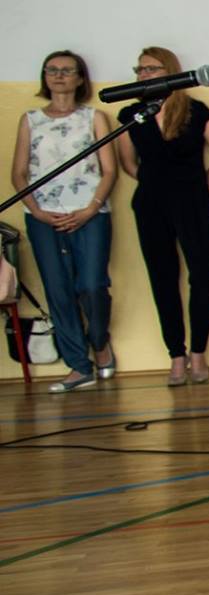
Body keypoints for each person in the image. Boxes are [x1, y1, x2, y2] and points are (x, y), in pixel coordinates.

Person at [114, 46, 209, 385]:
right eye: (140, 69)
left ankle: (198, 353)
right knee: (162, 279)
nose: (144, 74)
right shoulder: (132, 114)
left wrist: (197, 184)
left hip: (192, 202)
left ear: (170, 71)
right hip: (150, 204)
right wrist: (154, 182)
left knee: (202, 277)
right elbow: (127, 163)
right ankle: (176, 356)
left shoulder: (195, 111)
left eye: (151, 69)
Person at [11, 50, 117, 391]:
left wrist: (90, 209)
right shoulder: (30, 119)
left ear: (80, 78)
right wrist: (37, 211)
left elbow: (109, 170)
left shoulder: (94, 117)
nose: (58, 75)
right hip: (43, 216)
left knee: (92, 284)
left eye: (66, 70)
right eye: (51, 70)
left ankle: (99, 341)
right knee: (58, 289)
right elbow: (19, 173)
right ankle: (78, 366)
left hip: (89, 213)